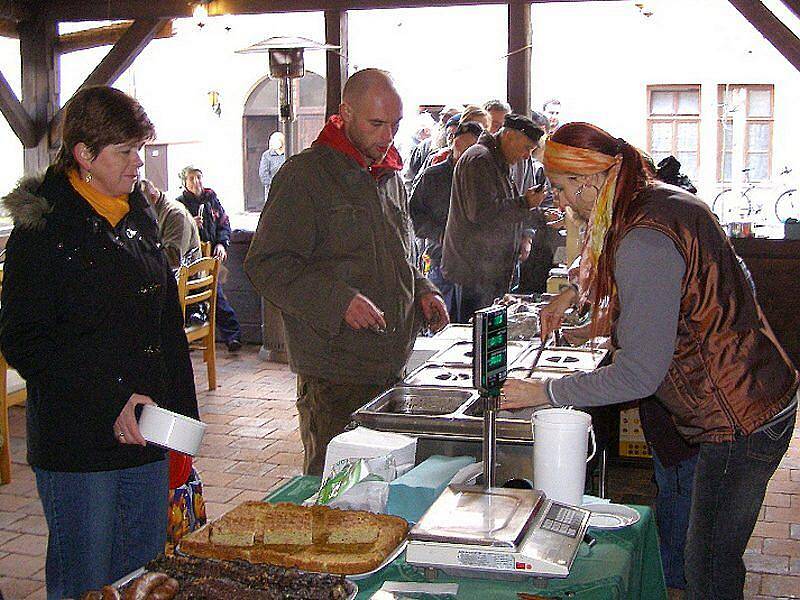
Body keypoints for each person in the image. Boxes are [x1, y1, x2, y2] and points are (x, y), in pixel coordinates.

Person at [501, 122, 798, 600]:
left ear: (590, 180)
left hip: (741, 417)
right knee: (710, 555)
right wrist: (576, 290)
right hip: (758, 390)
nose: (558, 201)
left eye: (559, 187)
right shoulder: (655, 198)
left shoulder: (643, 235)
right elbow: (623, 253)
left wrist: (545, 391)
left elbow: (639, 374)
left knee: (709, 568)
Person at [0, 85, 199, 600]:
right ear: (84, 155)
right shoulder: (43, 228)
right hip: (81, 438)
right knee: (85, 580)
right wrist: (111, 397)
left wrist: (182, 426)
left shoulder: (134, 214)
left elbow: (164, 328)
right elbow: (24, 339)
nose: (139, 164)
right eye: (126, 152)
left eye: (139, 149)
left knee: (143, 577)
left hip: (149, 433)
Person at [244, 69, 449, 476]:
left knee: (386, 485)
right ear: (345, 114)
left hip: (390, 362)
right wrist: (337, 301)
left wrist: (423, 288)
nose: (387, 135)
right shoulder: (305, 176)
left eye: (395, 124)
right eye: (376, 124)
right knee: (337, 490)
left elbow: (400, 253)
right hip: (335, 373)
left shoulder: (390, 176)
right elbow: (267, 264)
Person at [441, 113, 546, 322]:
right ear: (508, 136)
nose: (527, 156)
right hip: (475, 270)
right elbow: (481, 214)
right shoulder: (480, 159)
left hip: (489, 268)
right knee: (477, 336)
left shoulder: (497, 160)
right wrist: (524, 202)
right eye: (526, 148)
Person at [410, 121, 483, 319]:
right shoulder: (433, 176)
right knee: (441, 320)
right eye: (461, 148)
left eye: (472, 150)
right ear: (452, 143)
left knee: (472, 323)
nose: (465, 155)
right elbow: (413, 215)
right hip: (441, 260)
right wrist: (440, 234)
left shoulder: (484, 177)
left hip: (476, 264)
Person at [177, 166, 242, 351]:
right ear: (184, 182)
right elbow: (176, 234)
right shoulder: (180, 204)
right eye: (192, 178)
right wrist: (190, 224)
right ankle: (188, 338)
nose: (196, 182)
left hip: (211, 257)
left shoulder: (211, 199)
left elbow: (224, 223)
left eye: (199, 177)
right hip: (189, 261)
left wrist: (222, 243)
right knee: (190, 299)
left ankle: (233, 337)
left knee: (217, 298)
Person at [141, 178, 201, 269]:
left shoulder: (176, 215)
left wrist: (140, 256)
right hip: (170, 274)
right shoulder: (154, 210)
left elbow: (173, 259)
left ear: (153, 198)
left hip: (187, 279)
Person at [259, 131, 286, 202]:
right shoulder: (267, 155)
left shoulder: (288, 153)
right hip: (272, 189)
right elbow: (263, 173)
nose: (273, 142)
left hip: (286, 188)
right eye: (272, 141)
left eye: (276, 140)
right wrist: (274, 184)